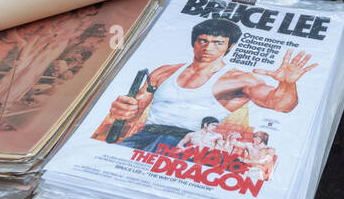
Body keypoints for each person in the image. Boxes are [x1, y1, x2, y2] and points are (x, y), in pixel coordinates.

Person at [104, 18, 317, 153]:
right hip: (144, 136)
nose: (208, 48)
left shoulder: (238, 79)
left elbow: (280, 104)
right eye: (203, 41)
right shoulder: (164, 71)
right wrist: (123, 109)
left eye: (218, 43)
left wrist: (288, 84)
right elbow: (135, 110)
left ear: (230, 46)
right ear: (194, 42)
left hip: (187, 143)